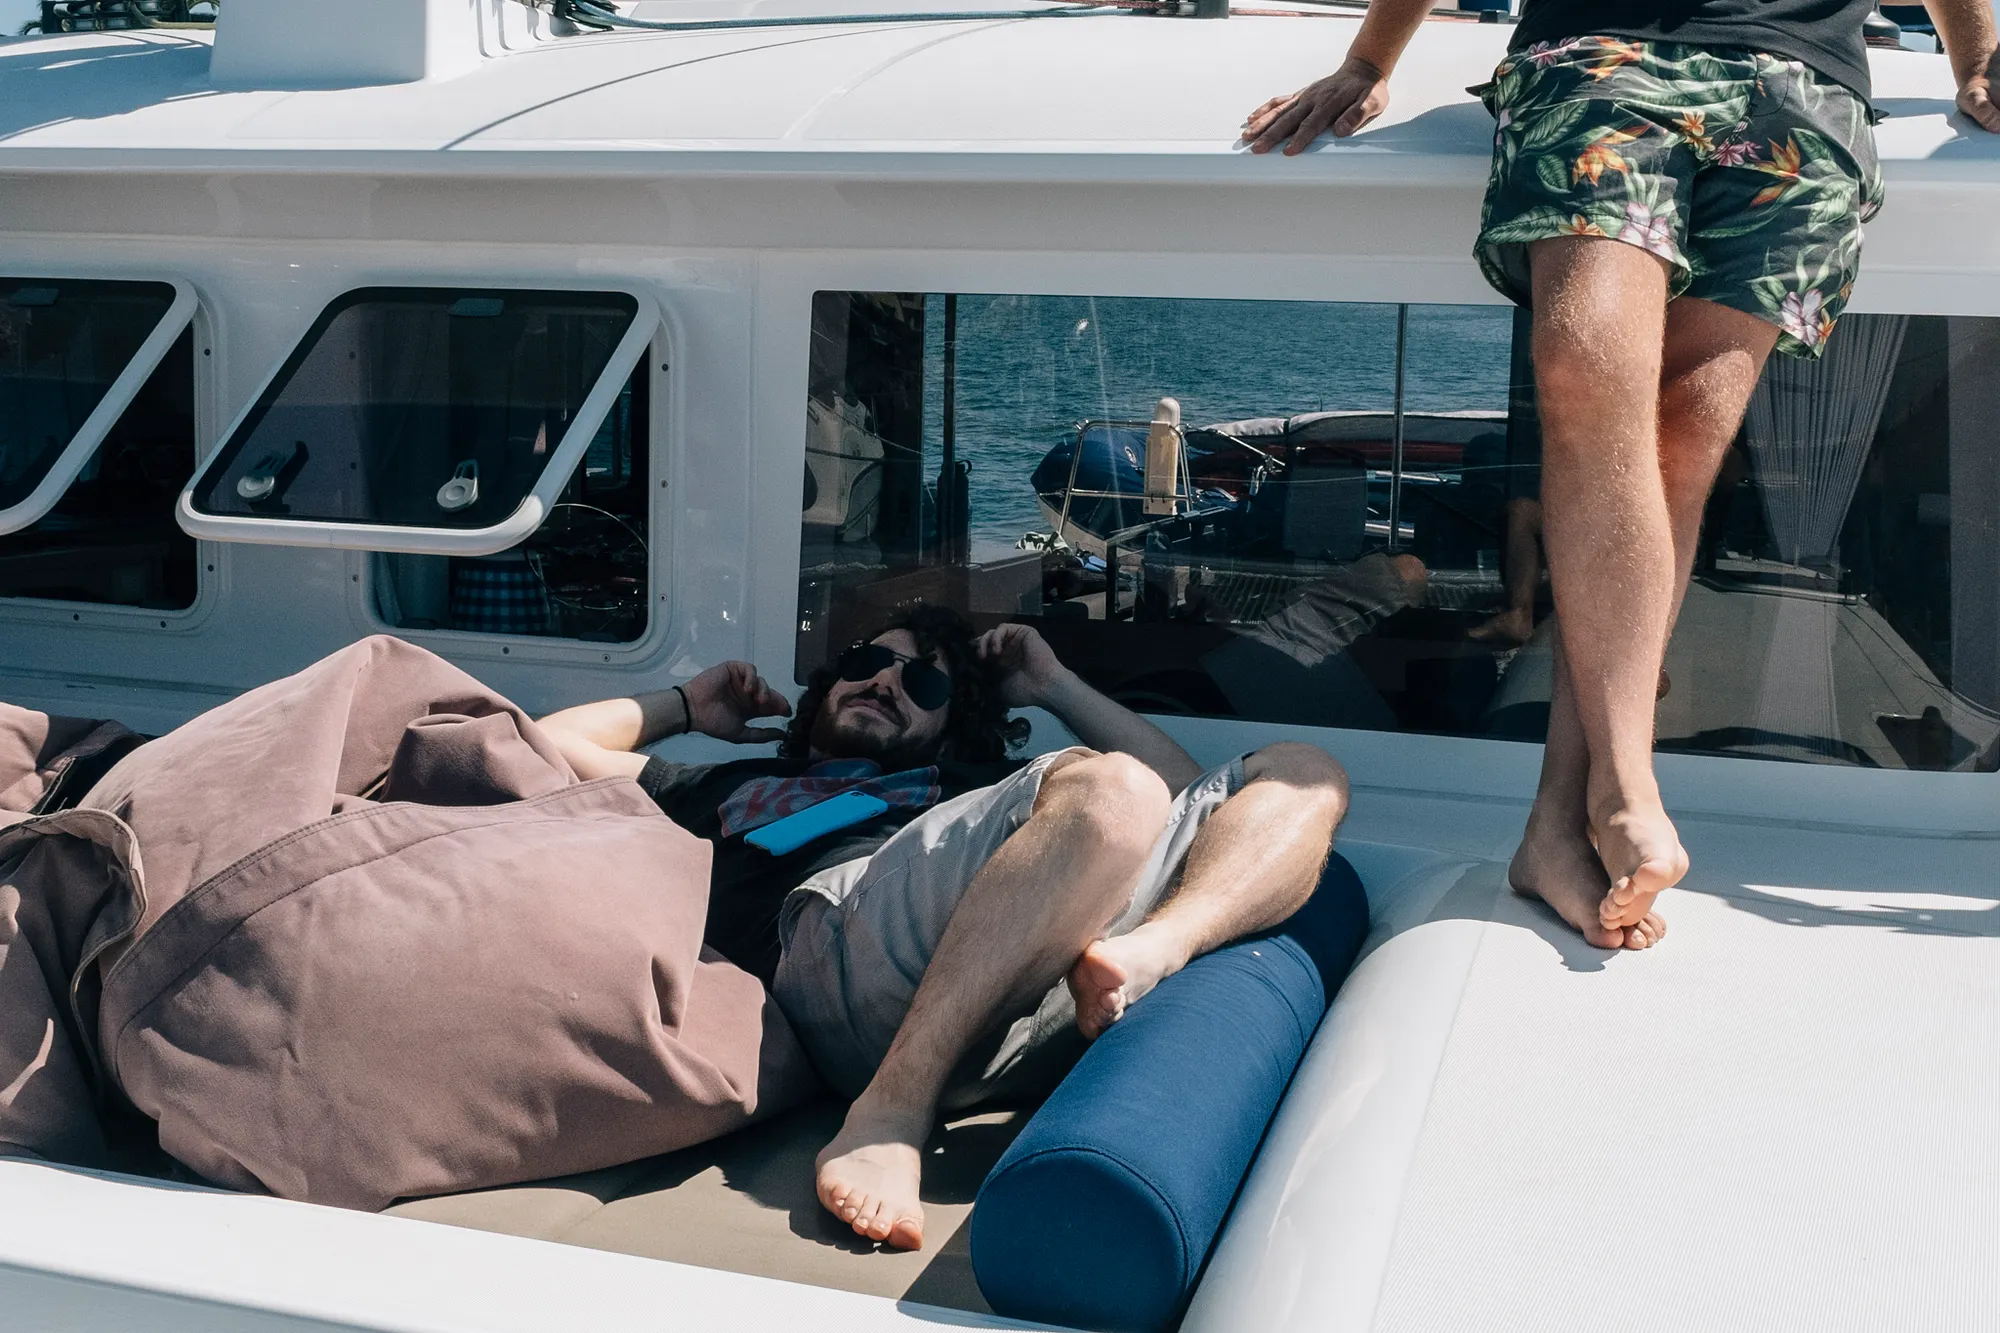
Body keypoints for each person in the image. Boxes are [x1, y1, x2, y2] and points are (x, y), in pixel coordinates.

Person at [1244, 0, 1999, 951]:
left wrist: (1978, 56)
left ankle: (1557, 824)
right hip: (1601, 43)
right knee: (1586, 359)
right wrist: (1369, 56)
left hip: (1801, 78)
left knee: (1679, 443)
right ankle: (1626, 782)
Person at [536, 604, 1349, 1251]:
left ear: (950, 721)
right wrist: (686, 702)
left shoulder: (976, 785)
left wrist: (1056, 684)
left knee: (1307, 773)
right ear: (823, 690)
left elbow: (1186, 786)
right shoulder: (736, 778)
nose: (887, 681)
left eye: (923, 683)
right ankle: (893, 1109)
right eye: (865, 664)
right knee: (1119, 795)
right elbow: (548, 744)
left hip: (1038, 984)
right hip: (843, 950)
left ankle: (1155, 950)